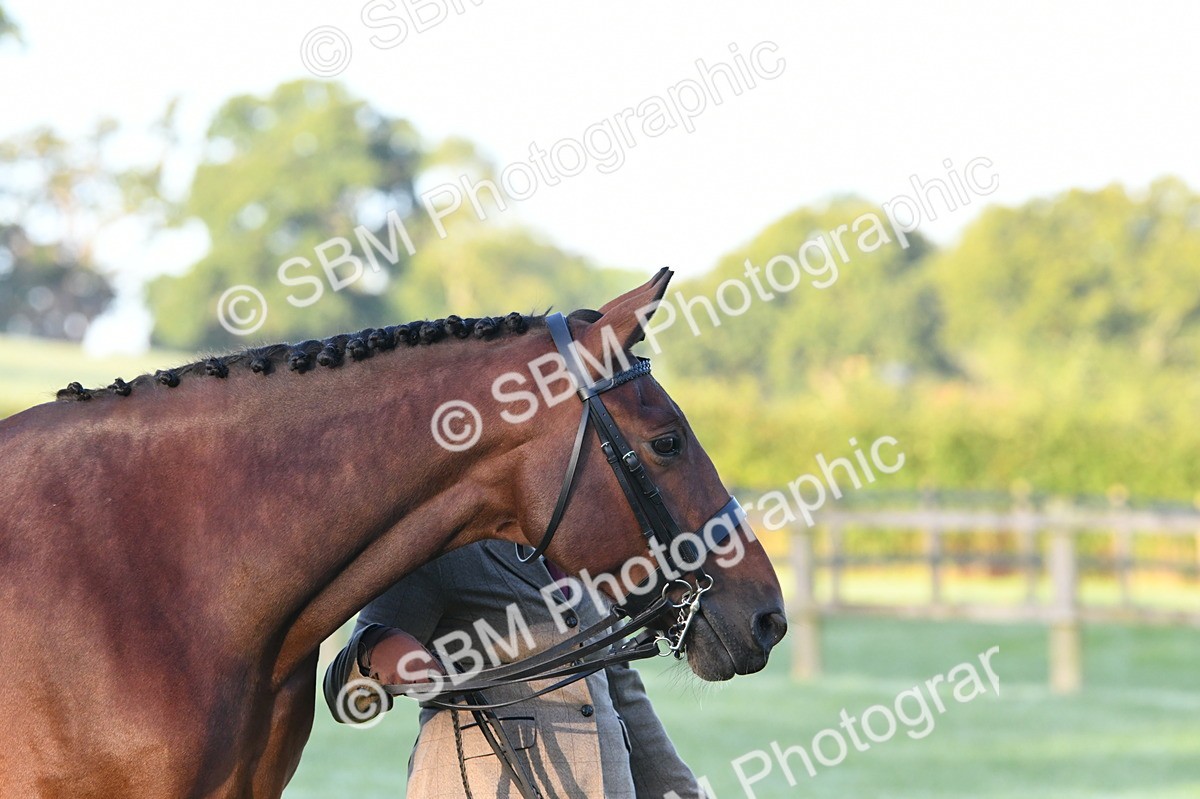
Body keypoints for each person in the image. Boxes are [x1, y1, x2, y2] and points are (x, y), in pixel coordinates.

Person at [323, 539, 704, 798]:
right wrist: (374, 655)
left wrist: (680, 792)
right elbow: (344, 695)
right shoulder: (440, 552)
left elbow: (623, 690)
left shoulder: (582, 547)